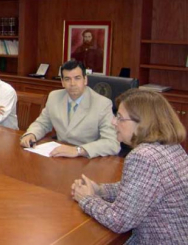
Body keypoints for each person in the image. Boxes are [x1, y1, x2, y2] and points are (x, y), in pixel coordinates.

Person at [71, 89, 188, 244]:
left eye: (120, 118)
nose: (113, 122)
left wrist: (87, 198)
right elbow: (140, 190)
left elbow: (119, 221)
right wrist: (100, 190)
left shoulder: (143, 157)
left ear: (142, 123)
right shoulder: (171, 146)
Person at [20, 59, 119, 158]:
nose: (72, 83)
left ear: (85, 80)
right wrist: (31, 134)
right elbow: (42, 123)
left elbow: (112, 143)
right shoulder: (54, 97)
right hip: (60, 155)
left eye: (77, 78)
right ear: (62, 82)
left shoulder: (102, 104)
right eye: (67, 79)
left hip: (87, 159)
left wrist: (78, 150)